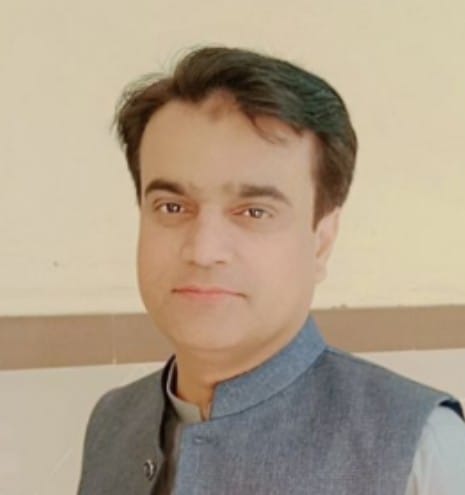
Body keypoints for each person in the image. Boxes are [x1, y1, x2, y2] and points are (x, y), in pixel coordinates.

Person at [77, 45, 465, 494]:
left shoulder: (423, 447)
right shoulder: (113, 424)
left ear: (322, 240)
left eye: (253, 212)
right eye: (172, 206)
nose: (203, 250)